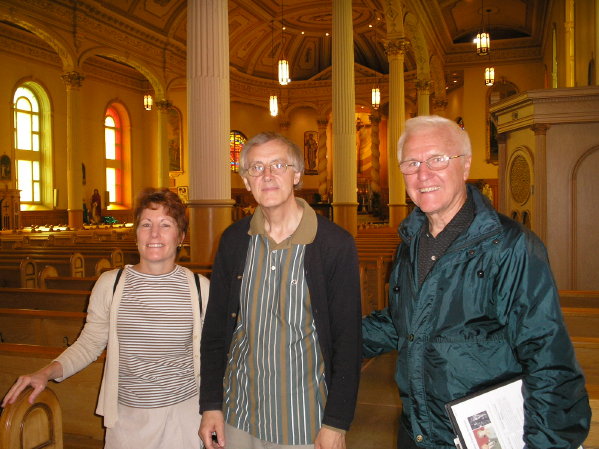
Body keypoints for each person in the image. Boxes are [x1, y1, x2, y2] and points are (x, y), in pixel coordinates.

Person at [362, 115, 591, 449]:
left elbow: (548, 359)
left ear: (465, 166)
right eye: (411, 163)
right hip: (418, 431)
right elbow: (403, 324)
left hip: (481, 435)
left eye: (438, 159)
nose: (423, 173)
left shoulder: (509, 246)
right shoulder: (411, 243)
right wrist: (324, 334)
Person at [2, 188, 209, 449]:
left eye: (165, 224)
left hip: (184, 419)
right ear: (136, 235)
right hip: (126, 420)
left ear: (180, 236)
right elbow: (89, 344)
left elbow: (214, 355)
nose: (154, 233)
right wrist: (45, 372)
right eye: (146, 224)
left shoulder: (200, 289)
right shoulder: (111, 284)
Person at [199, 132, 361, 449]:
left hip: (305, 422)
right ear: (245, 180)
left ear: (296, 174)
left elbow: (349, 341)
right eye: (256, 168)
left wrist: (337, 423)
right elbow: (216, 329)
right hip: (239, 414)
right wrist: (211, 405)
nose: (267, 175)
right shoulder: (234, 240)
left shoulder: (334, 244)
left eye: (278, 165)